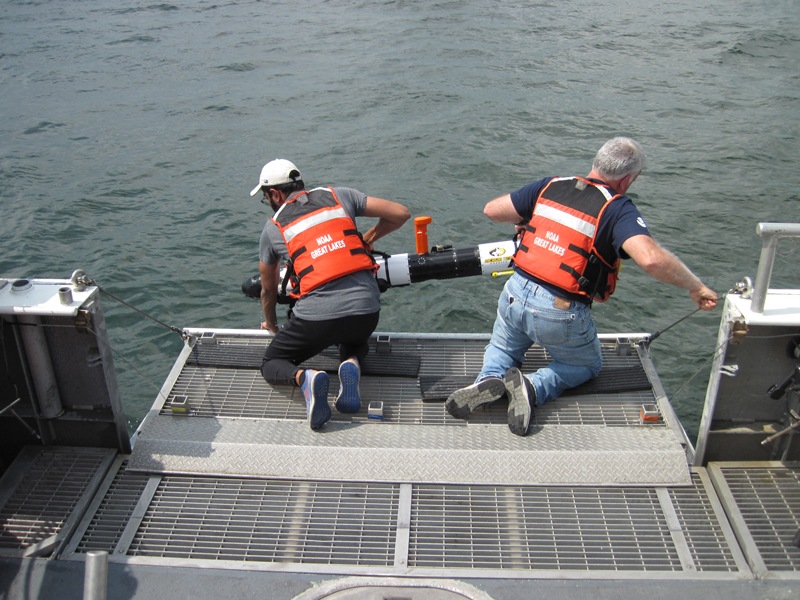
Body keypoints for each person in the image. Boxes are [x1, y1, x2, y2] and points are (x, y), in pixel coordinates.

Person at [445, 137, 718, 436]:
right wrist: (695, 286)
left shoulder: (550, 186)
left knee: (502, 346)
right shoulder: (616, 208)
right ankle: (533, 387)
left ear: (597, 162)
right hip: (558, 311)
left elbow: (492, 210)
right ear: (627, 179)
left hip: (515, 293)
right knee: (586, 366)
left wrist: (525, 217)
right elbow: (651, 259)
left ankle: (488, 379)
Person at [251, 159, 410, 430]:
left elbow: (268, 290)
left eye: (266, 198)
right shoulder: (339, 195)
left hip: (316, 320)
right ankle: (351, 362)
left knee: (271, 363)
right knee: (355, 341)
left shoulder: (273, 228)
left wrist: (272, 324)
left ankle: (306, 379)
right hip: (366, 311)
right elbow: (401, 213)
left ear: (275, 194)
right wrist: (367, 240)